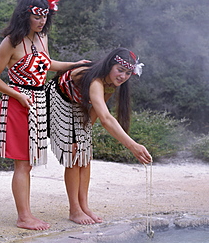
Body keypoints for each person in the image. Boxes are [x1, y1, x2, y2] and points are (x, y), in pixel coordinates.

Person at [0, 0, 86, 231]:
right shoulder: (10, 42)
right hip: (18, 103)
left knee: (29, 163)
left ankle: (27, 214)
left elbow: (48, 65)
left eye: (45, 16)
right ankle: (24, 217)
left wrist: (75, 64)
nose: (41, 21)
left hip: (39, 100)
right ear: (25, 15)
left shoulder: (42, 38)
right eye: (37, 16)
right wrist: (18, 95)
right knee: (22, 164)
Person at [46, 47, 152, 225]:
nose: (123, 76)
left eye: (127, 73)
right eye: (120, 70)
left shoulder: (110, 84)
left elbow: (95, 112)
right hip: (58, 99)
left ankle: (84, 206)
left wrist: (83, 134)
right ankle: (74, 209)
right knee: (73, 152)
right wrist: (133, 145)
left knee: (85, 153)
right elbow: (106, 119)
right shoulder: (95, 80)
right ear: (109, 65)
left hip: (78, 105)